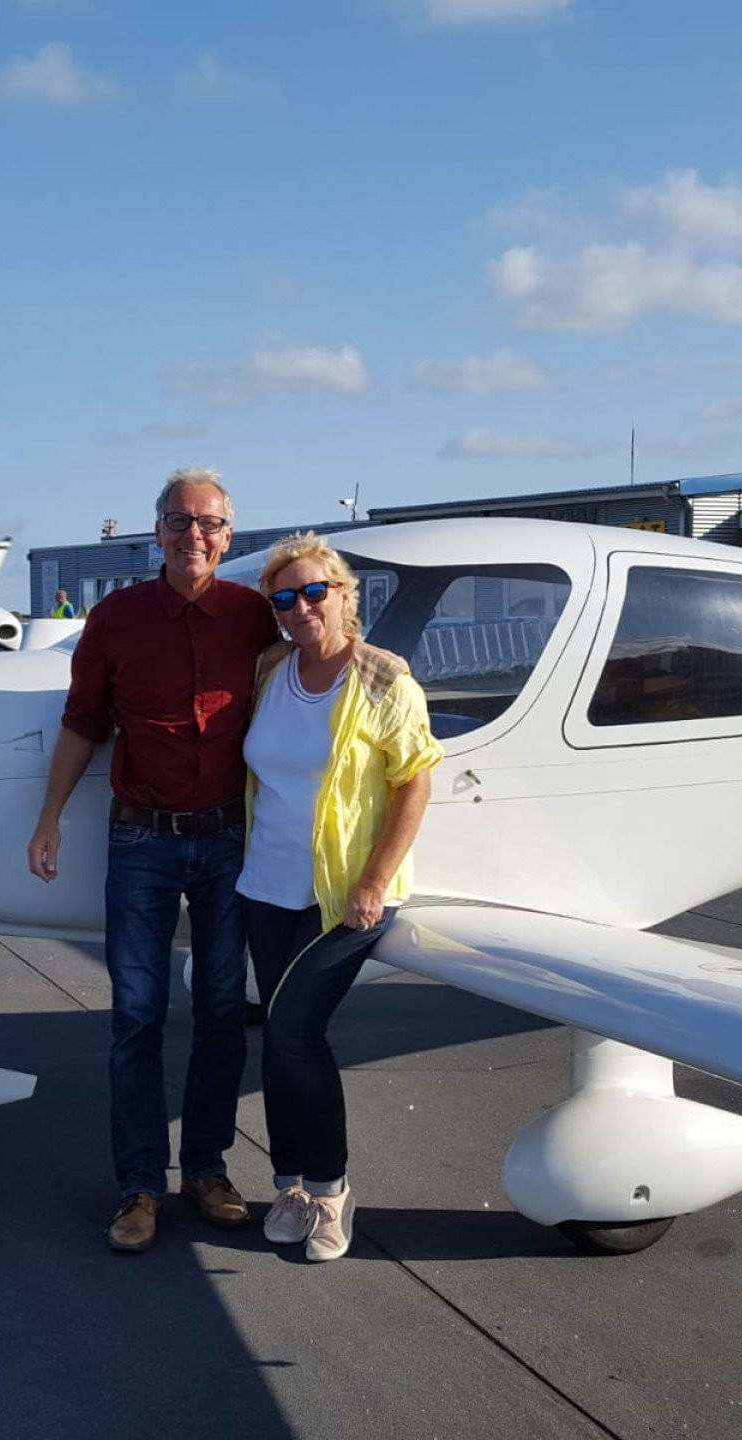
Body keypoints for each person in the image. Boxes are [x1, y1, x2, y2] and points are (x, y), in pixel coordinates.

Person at [27, 468, 281, 1253]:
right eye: (178, 521)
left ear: (228, 536)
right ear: (157, 531)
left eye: (208, 523)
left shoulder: (255, 616)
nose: (192, 535)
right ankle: (139, 1185)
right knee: (136, 1015)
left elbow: (322, 662)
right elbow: (82, 722)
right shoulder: (117, 618)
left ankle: (205, 1170)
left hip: (229, 840)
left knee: (221, 1013)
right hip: (141, 840)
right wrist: (49, 819)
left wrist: (381, 667)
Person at [236, 532, 442, 1262]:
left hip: (345, 894)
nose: (301, 608)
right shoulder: (270, 670)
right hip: (266, 885)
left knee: (295, 1032)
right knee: (279, 1039)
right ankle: (288, 1185)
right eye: (284, 598)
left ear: (345, 595)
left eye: (315, 592)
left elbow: (414, 782)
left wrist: (374, 882)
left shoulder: (384, 679)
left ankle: (330, 1191)